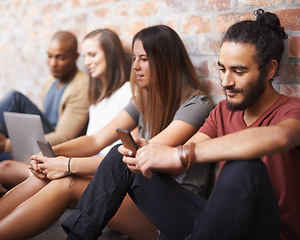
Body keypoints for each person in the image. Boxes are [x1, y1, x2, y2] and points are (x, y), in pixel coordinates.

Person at [63, 9, 300, 240]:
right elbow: (178, 164)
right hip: (215, 224)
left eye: (238, 71)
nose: (226, 82)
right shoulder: (222, 112)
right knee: (121, 156)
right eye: (222, 69)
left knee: (243, 168)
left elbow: (280, 138)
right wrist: (153, 154)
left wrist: (181, 154)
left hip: (266, 231)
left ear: (269, 69)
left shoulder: (291, 110)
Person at [0, 25, 214, 240]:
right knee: (46, 175)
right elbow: (96, 140)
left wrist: (66, 165)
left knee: (67, 182)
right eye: (134, 59)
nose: (136, 67)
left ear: (166, 61)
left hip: (169, 211)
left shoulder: (197, 105)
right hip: (135, 194)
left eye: (144, 59)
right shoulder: (144, 100)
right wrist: (52, 155)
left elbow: (141, 157)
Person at [0, 31, 90, 189]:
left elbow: (65, 137)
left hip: (57, 149)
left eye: (60, 57)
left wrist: (7, 144)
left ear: (76, 57)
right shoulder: (50, 82)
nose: (53, 63)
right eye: (50, 56)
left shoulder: (82, 85)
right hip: (41, 142)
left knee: (15, 98)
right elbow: (39, 123)